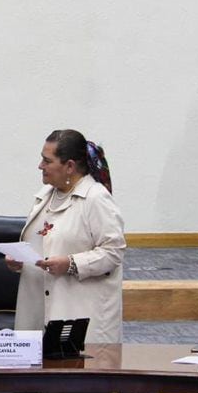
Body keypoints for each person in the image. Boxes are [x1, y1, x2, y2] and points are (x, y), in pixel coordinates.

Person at [8, 129, 125, 345]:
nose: (40, 166)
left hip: (80, 319)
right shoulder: (44, 196)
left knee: (75, 377)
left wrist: (71, 263)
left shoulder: (96, 198)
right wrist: (19, 261)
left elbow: (113, 252)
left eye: (47, 160)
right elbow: (42, 244)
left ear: (70, 166)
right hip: (37, 315)